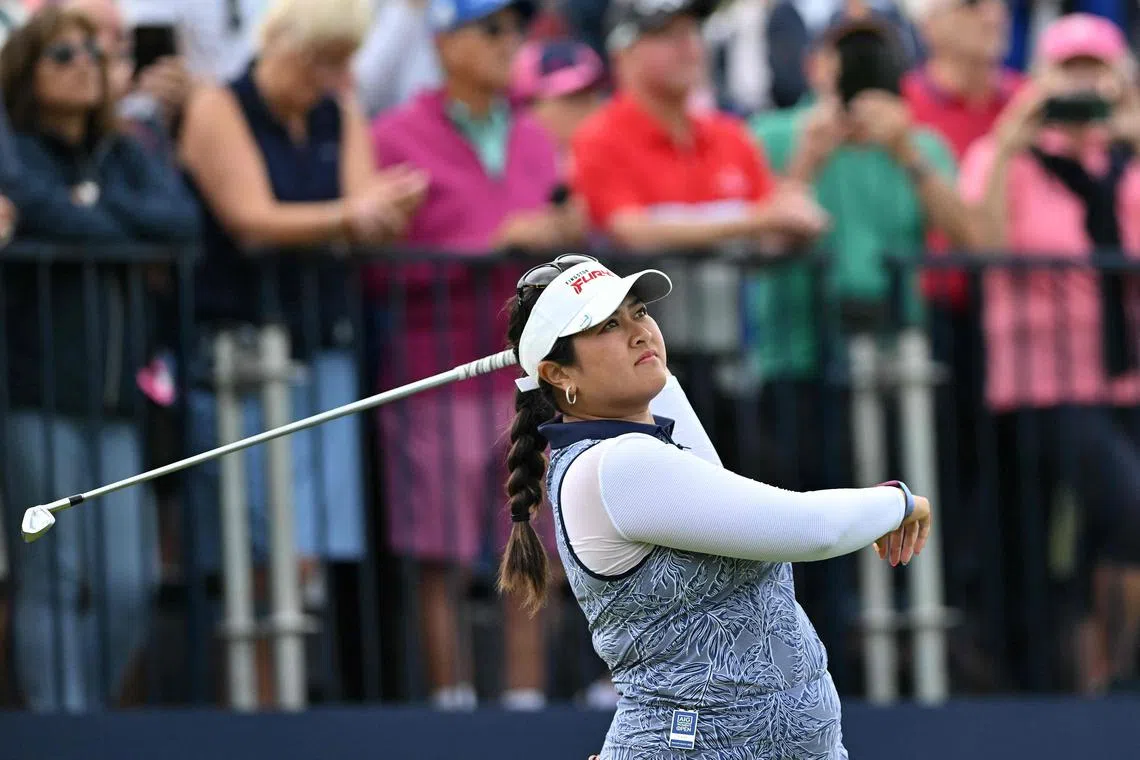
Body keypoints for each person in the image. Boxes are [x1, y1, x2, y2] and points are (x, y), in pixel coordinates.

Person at [499, 253, 932, 758]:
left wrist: (552, 369)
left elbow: (672, 414)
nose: (640, 332)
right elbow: (810, 529)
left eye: (640, 313)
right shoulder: (618, 466)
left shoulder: (638, 446)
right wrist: (897, 502)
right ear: (559, 372)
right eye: (606, 326)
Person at [178, 0, 425, 705]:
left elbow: (356, 207)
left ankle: (298, 698)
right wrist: (354, 214)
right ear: (279, 45)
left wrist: (386, 208)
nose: (331, 78)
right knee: (254, 544)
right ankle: (256, 706)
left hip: (324, 343)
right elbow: (250, 219)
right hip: (237, 350)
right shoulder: (218, 106)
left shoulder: (337, 109)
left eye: (340, 63)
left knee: (312, 548)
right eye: (319, 60)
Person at [368, 0, 584, 710]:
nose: (508, 41)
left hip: (531, 373)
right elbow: (372, 264)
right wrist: (489, 249)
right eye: (491, 28)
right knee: (438, 549)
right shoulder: (392, 136)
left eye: (514, 28)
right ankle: (450, 702)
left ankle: (523, 702)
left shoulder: (531, 134)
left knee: (536, 541)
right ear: (445, 42)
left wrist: (554, 233)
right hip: (438, 367)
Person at [0, 6, 200, 711]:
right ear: (27, 71)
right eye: (63, 53)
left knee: (126, 583)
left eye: (93, 48)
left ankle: (86, 721)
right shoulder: (13, 145)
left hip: (116, 401)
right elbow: (36, 203)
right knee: (52, 576)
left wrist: (91, 207)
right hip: (34, 394)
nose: (86, 60)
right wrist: (110, 227)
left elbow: (181, 221)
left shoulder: (123, 152)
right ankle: (62, 728)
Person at [959, 12, 1140, 693]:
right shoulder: (1003, 157)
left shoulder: (1123, 162)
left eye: (1098, 73)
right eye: (1070, 74)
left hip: (1121, 377)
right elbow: (983, 239)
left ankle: (1109, 677)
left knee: (1105, 536)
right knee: (1117, 516)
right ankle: (1093, 680)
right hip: (1041, 382)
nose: (1083, 88)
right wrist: (1013, 135)